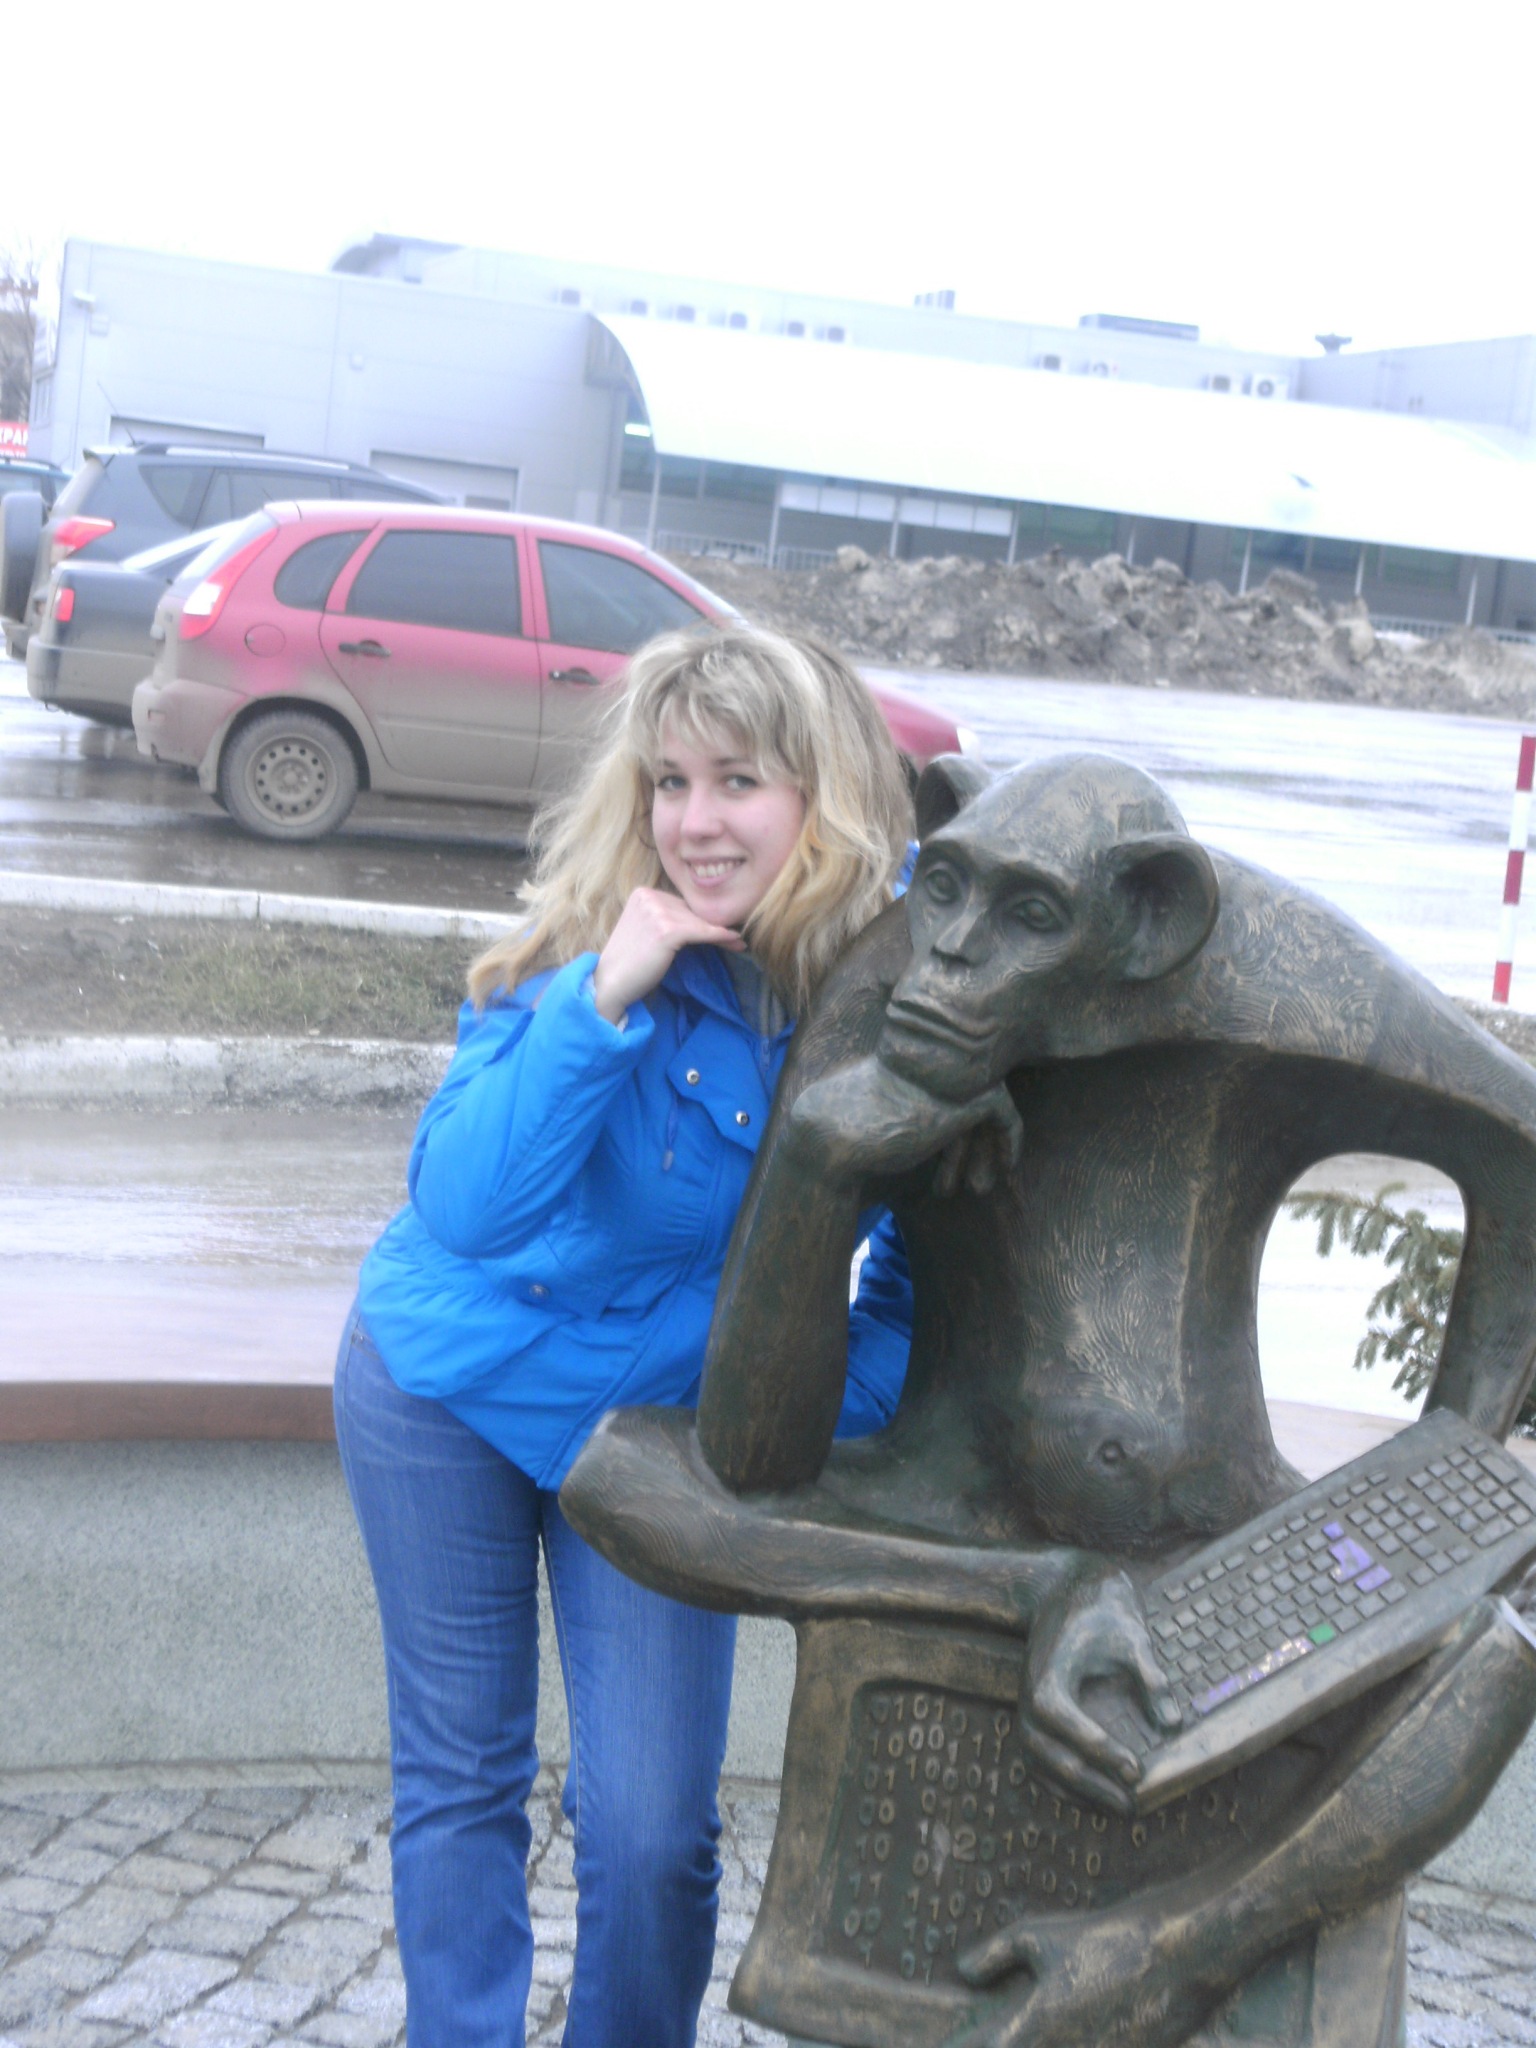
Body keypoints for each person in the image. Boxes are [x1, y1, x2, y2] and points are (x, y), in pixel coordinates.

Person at [333, 625, 917, 2048]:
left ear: (826, 796)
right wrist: (605, 997)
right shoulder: (586, 941)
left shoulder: (894, 1000)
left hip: (655, 1436)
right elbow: (467, 1208)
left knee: (654, 1830)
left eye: (739, 781)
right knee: (463, 1779)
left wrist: (795, 1409)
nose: (694, 821)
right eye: (670, 781)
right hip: (444, 1389)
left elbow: (918, 1276)